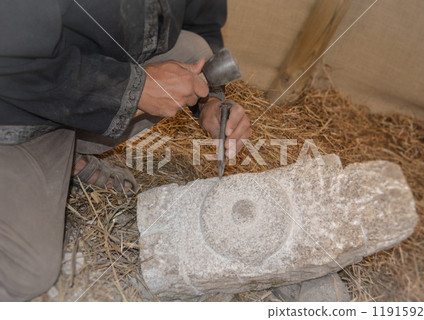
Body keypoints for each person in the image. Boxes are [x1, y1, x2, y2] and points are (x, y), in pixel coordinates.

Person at [0, 0, 250, 301]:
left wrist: (209, 102)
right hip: (18, 108)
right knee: (25, 273)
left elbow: (203, 25)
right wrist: (134, 89)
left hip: (84, 74)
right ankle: (45, 157)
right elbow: (12, 65)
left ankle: (68, 157)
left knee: (193, 49)